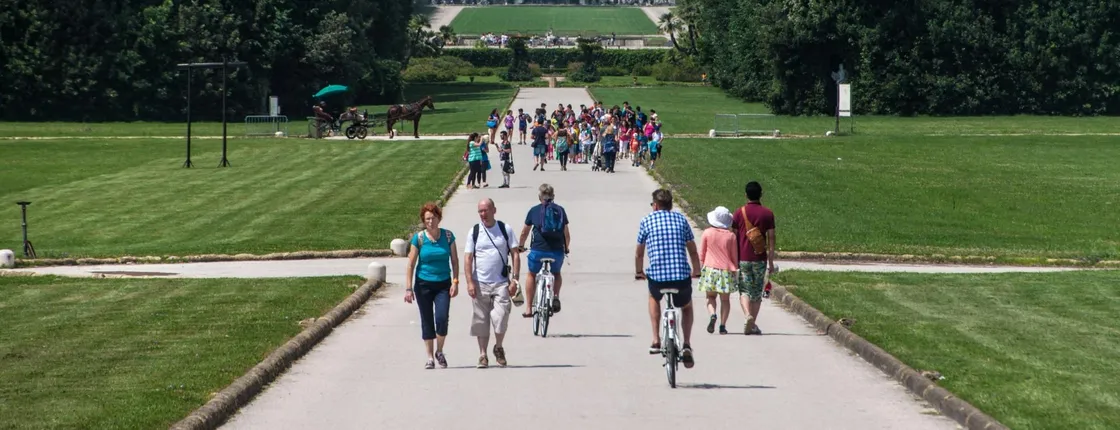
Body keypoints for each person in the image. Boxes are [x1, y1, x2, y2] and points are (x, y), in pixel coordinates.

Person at [636, 189, 700, 368]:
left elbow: (639, 253)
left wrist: (639, 272)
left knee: (653, 297)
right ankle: (686, 343)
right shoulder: (681, 220)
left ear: (655, 205)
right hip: (681, 277)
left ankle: (656, 339)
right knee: (686, 307)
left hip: (657, 278)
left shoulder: (646, 220)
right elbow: (693, 250)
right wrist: (697, 271)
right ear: (671, 204)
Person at [465, 198, 521, 368]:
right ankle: (482, 355)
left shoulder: (505, 229)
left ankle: (498, 346)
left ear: (494, 210)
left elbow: (515, 254)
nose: (483, 214)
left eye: (486, 210)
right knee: (481, 321)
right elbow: (468, 258)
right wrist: (469, 282)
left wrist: (515, 279)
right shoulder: (474, 231)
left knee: (501, 317)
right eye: (480, 211)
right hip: (480, 282)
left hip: (501, 283)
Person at [405, 202, 461, 369]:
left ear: (439, 218)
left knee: (442, 319)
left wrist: (455, 282)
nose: (430, 221)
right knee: (427, 319)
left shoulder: (448, 236)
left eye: (433, 218)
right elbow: (411, 264)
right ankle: (430, 357)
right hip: (423, 284)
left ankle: (440, 350)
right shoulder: (419, 238)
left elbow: (455, 261)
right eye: (427, 219)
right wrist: (408, 288)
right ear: (424, 220)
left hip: (443, 283)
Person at [517, 183, 570, 317]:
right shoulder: (560, 211)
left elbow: (524, 232)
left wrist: (521, 246)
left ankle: (529, 308)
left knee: (531, 274)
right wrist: (566, 249)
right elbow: (567, 235)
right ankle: (556, 296)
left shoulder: (534, 210)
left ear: (539, 196)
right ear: (553, 196)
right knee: (556, 273)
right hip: (556, 251)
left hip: (538, 250)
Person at [731, 181, 777, 335]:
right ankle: (753, 323)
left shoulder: (739, 212)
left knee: (744, 290)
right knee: (757, 292)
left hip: (743, 257)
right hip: (760, 259)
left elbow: (734, 236)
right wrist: (770, 262)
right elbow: (771, 239)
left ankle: (747, 315)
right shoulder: (768, 214)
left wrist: (733, 258)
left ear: (746, 195)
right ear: (761, 194)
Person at [699, 206, 738, 335]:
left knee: (710, 297)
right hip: (726, 270)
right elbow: (734, 256)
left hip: (710, 269)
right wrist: (735, 268)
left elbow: (702, 253)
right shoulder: (731, 236)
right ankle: (722, 325)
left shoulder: (707, 233)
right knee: (725, 300)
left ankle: (712, 315)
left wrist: (702, 266)